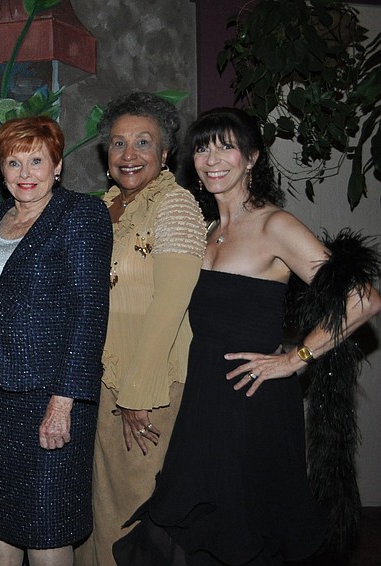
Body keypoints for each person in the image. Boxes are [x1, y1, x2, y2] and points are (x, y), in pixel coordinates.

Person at [113, 107, 381, 565]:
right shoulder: (208, 231)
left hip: (252, 404)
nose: (212, 159)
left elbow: (363, 298)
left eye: (226, 146)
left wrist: (295, 358)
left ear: (252, 157)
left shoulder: (275, 225)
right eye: (202, 147)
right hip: (204, 401)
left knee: (244, 530)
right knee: (190, 526)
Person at [0, 116, 112, 566]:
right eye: (14, 162)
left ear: (57, 167)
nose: (25, 172)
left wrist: (63, 402)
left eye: (36, 160)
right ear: (2, 169)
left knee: (47, 527)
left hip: (48, 397)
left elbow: (89, 314)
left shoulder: (82, 215)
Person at [75, 92, 207, 566]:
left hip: (147, 388)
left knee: (130, 523)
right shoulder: (102, 209)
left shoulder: (175, 206)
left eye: (143, 143)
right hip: (99, 387)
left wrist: (138, 392)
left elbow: (171, 306)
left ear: (166, 152)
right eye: (118, 143)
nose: (128, 155)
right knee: (96, 511)